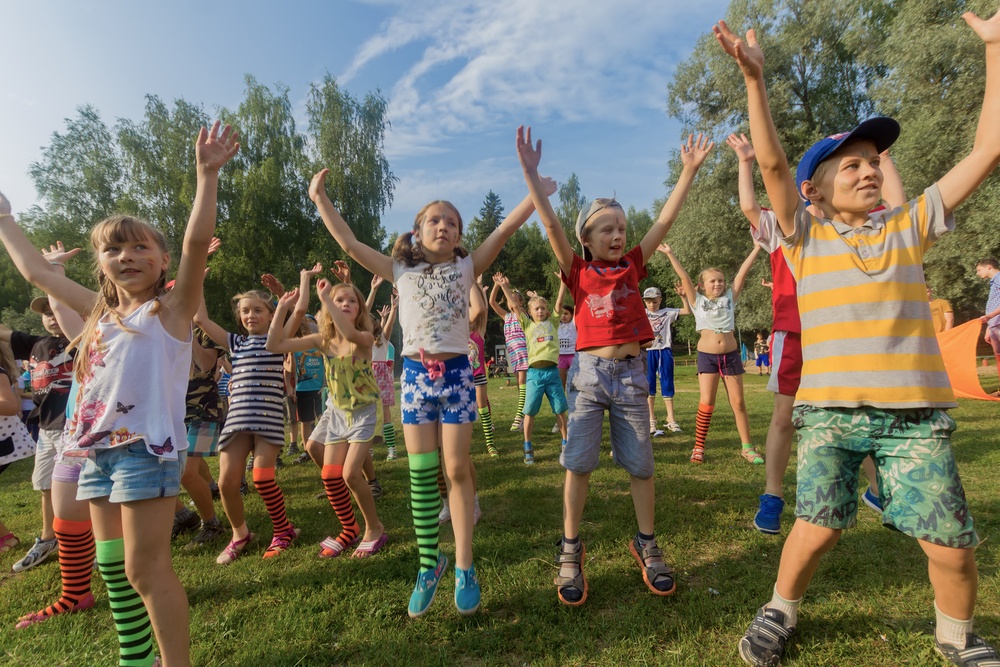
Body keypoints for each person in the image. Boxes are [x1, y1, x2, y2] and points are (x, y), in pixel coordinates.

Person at [715, 10, 1000, 664]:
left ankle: (956, 632)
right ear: (814, 192)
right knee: (814, 530)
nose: (869, 170)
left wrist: (994, 49)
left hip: (916, 422)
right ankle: (780, 608)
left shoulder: (910, 226)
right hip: (832, 417)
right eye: (852, 165)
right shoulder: (805, 237)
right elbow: (771, 162)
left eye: (874, 161)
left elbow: (986, 150)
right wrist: (756, 83)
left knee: (952, 544)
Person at [0, 121, 238, 667]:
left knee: (144, 569)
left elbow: (197, 242)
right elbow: (37, 271)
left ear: (160, 258)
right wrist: (6, 218)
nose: (126, 255)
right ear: (100, 264)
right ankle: (137, 658)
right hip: (92, 451)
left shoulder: (172, 312)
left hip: (146, 451)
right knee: (111, 567)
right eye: (113, 249)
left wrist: (206, 175)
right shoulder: (98, 313)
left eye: (140, 246)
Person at [309, 164, 550, 618]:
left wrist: (534, 187)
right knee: (420, 475)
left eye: (452, 222)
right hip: (416, 379)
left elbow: (507, 226)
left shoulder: (467, 264)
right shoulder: (398, 267)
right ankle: (428, 563)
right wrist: (320, 199)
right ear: (417, 232)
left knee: (457, 468)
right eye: (434, 220)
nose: (444, 226)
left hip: (458, 375)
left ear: (459, 237)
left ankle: (463, 564)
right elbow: (350, 244)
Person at [516, 125, 712, 606]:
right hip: (587, 376)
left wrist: (687, 172)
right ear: (587, 237)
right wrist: (530, 175)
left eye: (622, 227)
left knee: (641, 466)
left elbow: (664, 221)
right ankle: (570, 549)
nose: (618, 234)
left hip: (631, 376)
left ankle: (646, 543)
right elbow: (552, 227)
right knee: (578, 465)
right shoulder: (577, 270)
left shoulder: (634, 265)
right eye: (607, 228)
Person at [727, 132, 892, 535]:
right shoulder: (788, 222)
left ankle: (875, 488)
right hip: (794, 331)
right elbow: (750, 205)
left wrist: (882, 161)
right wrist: (746, 161)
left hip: (838, 334)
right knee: (785, 418)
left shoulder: (855, 223)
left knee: (854, 411)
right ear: (811, 187)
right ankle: (772, 497)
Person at [268, 279, 389, 559]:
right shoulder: (322, 340)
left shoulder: (364, 336)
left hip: (364, 411)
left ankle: (375, 527)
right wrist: (287, 308)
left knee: (350, 474)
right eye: (339, 300)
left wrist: (326, 300)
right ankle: (349, 529)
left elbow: (346, 332)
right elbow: (275, 344)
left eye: (351, 301)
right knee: (331, 474)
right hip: (337, 412)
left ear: (360, 309)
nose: (345, 304)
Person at [195, 282, 302, 565]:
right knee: (226, 481)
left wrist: (290, 296)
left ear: (270, 315)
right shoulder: (235, 343)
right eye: (245, 311)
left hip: (267, 420)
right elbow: (201, 320)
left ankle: (284, 531)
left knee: (263, 477)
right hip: (237, 421)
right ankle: (240, 534)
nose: (250, 315)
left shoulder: (277, 340)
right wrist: (197, 279)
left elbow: (300, 309)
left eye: (257, 310)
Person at [662, 242, 763, 464]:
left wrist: (756, 248)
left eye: (720, 280)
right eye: (712, 281)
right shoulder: (697, 301)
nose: (717, 284)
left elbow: (742, 274)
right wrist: (670, 254)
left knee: (738, 403)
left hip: (731, 357)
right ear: (703, 285)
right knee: (707, 402)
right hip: (707, 357)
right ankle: (698, 447)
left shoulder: (730, 298)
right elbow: (685, 278)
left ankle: (747, 447)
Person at [1, 295, 74, 573]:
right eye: (46, 313)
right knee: (45, 485)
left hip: (74, 427)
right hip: (46, 428)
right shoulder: (35, 344)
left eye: (56, 309)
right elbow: (4, 333)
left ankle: (88, 539)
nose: (52, 316)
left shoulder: (80, 341)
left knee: (80, 488)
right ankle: (48, 538)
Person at [497, 274, 568, 464]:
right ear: (530, 311)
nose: (540, 311)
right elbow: (513, 307)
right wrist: (504, 286)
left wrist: (563, 282)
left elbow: (559, 303)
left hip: (552, 373)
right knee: (529, 412)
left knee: (560, 410)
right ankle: (527, 444)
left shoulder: (552, 322)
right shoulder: (527, 325)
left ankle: (565, 442)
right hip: (534, 375)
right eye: (536, 308)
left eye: (543, 308)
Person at [642, 284, 690, 436]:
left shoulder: (667, 313)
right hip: (647, 352)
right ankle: (651, 419)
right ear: (644, 302)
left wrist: (683, 297)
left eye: (655, 301)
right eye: (649, 301)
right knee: (649, 385)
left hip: (664, 351)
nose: (652, 304)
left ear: (660, 300)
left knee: (667, 383)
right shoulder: (641, 314)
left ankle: (671, 419)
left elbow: (687, 311)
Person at [367, 274, 400, 461]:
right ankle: (369, 450)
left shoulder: (382, 339)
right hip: (367, 377)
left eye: (373, 323)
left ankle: (392, 449)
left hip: (382, 376)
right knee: (369, 414)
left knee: (385, 413)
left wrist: (394, 308)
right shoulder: (361, 340)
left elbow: (390, 323)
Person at [489, 277, 529, 430]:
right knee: (520, 385)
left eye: (515, 299)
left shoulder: (522, 314)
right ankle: (524, 415)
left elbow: (513, 304)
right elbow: (492, 302)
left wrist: (506, 287)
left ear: (521, 303)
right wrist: (496, 285)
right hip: (513, 354)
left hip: (523, 351)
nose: (511, 301)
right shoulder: (506, 316)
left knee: (522, 383)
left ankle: (519, 417)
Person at [469, 277, 498, 458]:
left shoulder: (478, 332)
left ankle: (490, 444)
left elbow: (484, 310)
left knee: (483, 408)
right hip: (462, 377)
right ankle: (464, 444)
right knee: (464, 412)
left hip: (478, 375)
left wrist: (478, 286)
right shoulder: (456, 335)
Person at [975, 258, 1000, 391]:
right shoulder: (993, 283)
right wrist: (989, 327)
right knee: (998, 355)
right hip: (995, 324)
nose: (978, 274)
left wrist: (990, 316)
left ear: (989, 267)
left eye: (979, 270)